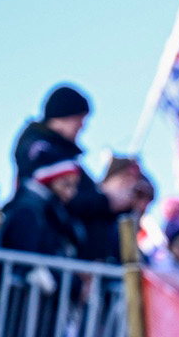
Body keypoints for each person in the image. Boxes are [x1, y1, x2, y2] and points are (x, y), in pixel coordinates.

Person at [10, 84, 115, 261]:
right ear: (65, 115)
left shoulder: (66, 155)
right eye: (79, 118)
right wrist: (108, 200)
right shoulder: (39, 149)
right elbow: (71, 200)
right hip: (49, 248)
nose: (82, 126)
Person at [0, 158, 82, 257]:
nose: (70, 193)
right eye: (65, 184)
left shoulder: (57, 213)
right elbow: (23, 257)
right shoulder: (29, 209)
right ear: (49, 180)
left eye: (74, 186)